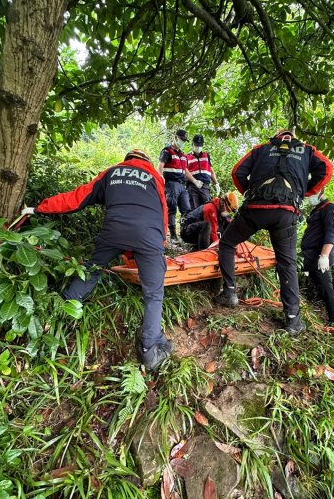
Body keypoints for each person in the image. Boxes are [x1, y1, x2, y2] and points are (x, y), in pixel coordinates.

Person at [21, 149, 174, 370]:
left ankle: (61, 310)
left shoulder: (111, 173)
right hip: (149, 235)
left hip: (114, 231)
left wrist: (39, 208)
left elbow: (76, 198)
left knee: (92, 269)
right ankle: (150, 350)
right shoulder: (154, 177)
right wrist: (158, 247)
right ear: (147, 162)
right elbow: (163, 212)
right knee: (153, 293)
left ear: (127, 160)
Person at [212, 129, 334, 335]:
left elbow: (237, 172)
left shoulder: (262, 149)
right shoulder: (306, 150)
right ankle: (293, 320)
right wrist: (303, 191)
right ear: (292, 138)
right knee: (286, 262)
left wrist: (251, 193)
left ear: (276, 137)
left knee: (226, 243)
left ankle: (229, 293)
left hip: (254, 210)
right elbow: (327, 169)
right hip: (286, 213)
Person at [299, 191, 334, 325]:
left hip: (319, 255)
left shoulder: (331, 208)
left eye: (311, 194)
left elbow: (331, 234)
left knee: (287, 264)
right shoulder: (317, 210)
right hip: (312, 255)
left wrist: (324, 256)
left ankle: (292, 310)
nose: (309, 198)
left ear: (321, 192)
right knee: (326, 289)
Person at [159, 129, 192, 241]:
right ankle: (173, 234)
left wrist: (195, 181)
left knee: (186, 209)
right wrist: (159, 180)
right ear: (175, 137)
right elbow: (160, 166)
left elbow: (186, 171)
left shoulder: (183, 155)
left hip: (182, 185)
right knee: (171, 207)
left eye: (184, 140)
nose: (183, 142)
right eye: (182, 139)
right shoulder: (167, 151)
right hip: (171, 183)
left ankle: (185, 234)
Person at [184, 134, 215, 210]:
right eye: (196, 145)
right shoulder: (186, 157)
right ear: (192, 145)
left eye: (200, 145)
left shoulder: (206, 155)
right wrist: (194, 181)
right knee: (194, 210)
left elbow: (211, 170)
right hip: (192, 186)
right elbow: (185, 171)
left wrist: (216, 183)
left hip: (205, 186)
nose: (198, 147)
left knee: (207, 208)